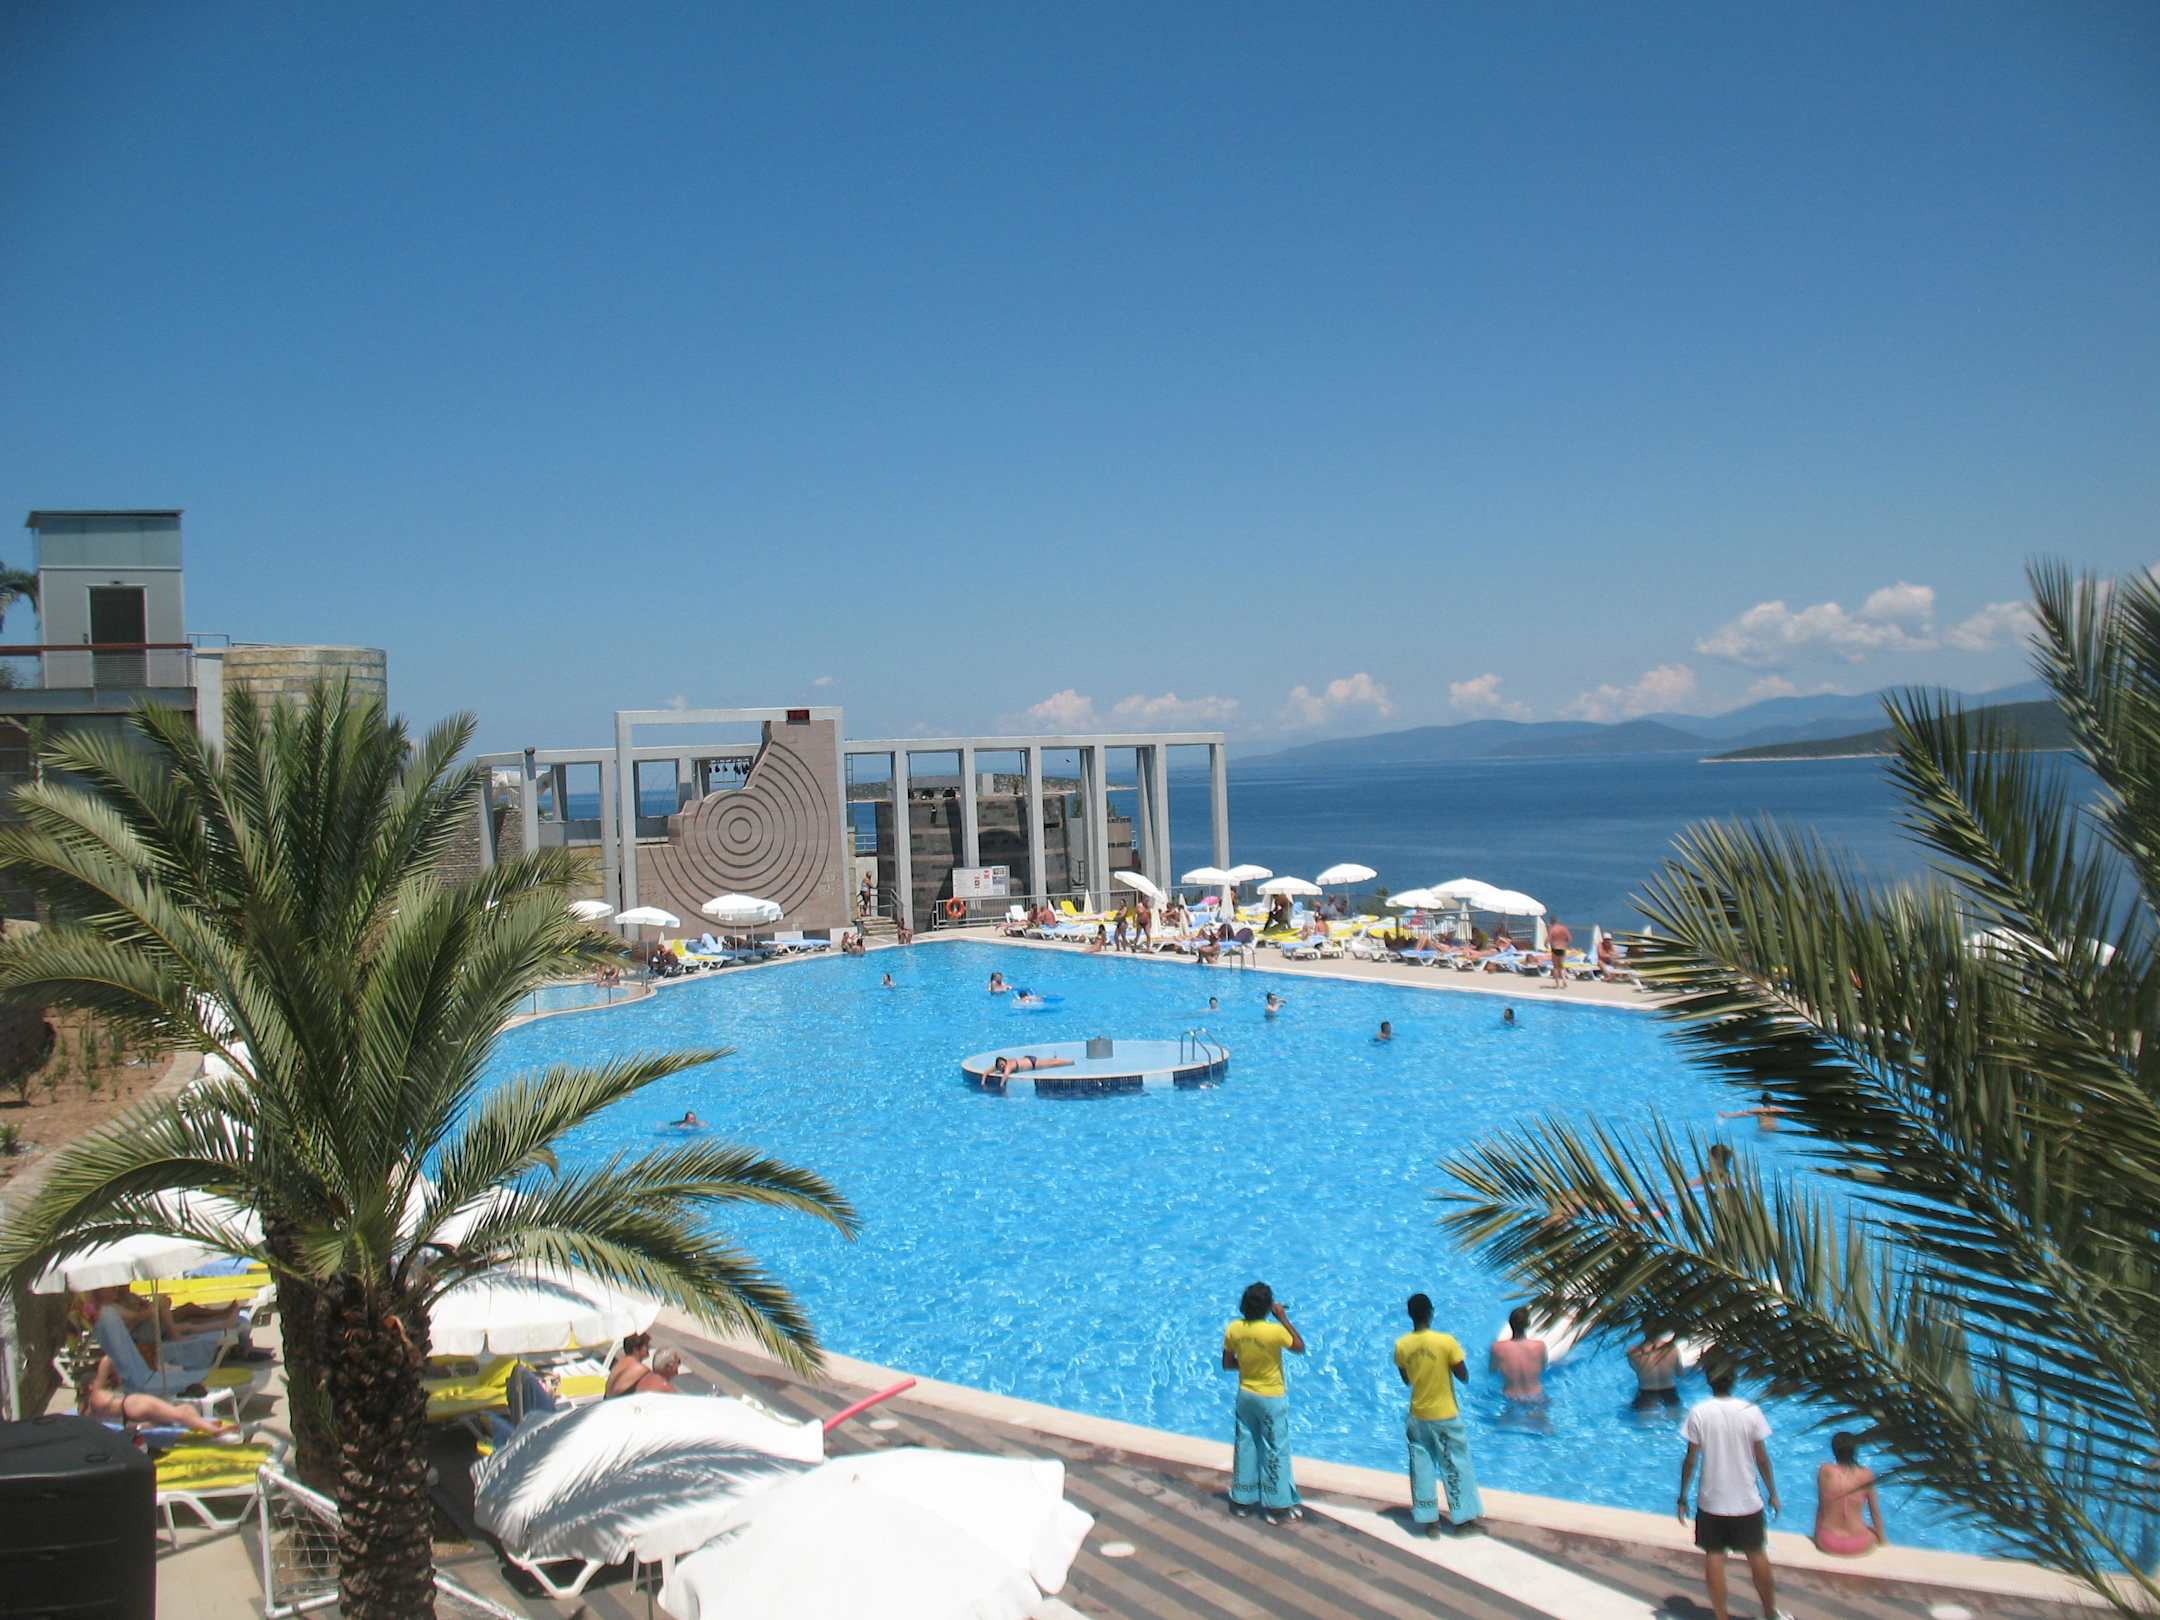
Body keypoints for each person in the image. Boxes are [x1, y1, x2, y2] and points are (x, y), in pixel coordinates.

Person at [1678, 1361, 1791, 1620]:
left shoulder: (1699, 1412)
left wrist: (1683, 1496)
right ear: (1734, 1380)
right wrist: (1772, 1492)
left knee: (1714, 1555)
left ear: (1709, 1381)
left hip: (1712, 1501)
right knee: (1756, 1553)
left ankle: (1721, 1616)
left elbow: (1691, 1459)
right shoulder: (1751, 1411)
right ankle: (1769, 1613)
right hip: (1746, 1500)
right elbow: (1761, 1458)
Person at [1395, 1293, 1483, 1535]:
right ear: (1431, 1313)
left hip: (1417, 1415)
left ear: (1410, 1315)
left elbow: (1406, 1379)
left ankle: (1429, 1520)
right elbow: (1463, 1375)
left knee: (1421, 1467)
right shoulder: (1446, 1342)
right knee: (1455, 1465)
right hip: (1445, 1415)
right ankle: (1463, 1520)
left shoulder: (1402, 1344)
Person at [1221, 1282, 1305, 1525]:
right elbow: (1299, 1347)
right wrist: (1283, 1317)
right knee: (1275, 1449)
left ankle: (1242, 1501)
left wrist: (1248, 1365)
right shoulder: (1274, 1332)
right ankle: (1277, 1506)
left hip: (1246, 1395)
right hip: (1271, 1398)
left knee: (1246, 1445)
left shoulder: (1234, 1329)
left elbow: (1227, 1364)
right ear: (1268, 1307)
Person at [78, 1355, 232, 1436]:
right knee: (177, 1414)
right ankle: (208, 1426)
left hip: (132, 1409)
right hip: (134, 1405)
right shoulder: (96, 1396)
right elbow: (107, 1360)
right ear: (90, 1386)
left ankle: (208, 1427)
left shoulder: (92, 1405)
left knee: (178, 1413)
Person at [1814, 1432, 1886, 1556]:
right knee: (1871, 1530)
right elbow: (1875, 1512)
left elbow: (1821, 1507)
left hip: (1828, 1541)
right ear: (1854, 1450)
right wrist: (1882, 1540)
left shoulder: (1825, 1470)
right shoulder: (1866, 1474)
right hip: (1858, 1543)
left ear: (1834, 1450)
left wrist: (1816, 1536)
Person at [1488, 1307, 1549, 1403]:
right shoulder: (1540, 1346)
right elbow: (1543, 1368)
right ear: (1528, 1323)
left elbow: (1492, 1370)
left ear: (1510, 1324)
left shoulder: (1497, 1347)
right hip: (1536, 1396)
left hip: (1511, 1397)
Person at [1628, 1323, 1684, 1409]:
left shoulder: (1633, 1351)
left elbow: (1636, 1370)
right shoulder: (1672, 1348)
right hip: (1669, 1391)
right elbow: (1680, 1373)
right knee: (1676, 1415)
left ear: (1643, 1329)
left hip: (1646, 1393)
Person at [606, 1332, 655, 1398]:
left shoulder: (619, 1364)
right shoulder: (640, 1369)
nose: (649, 1347)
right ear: (636, 1349)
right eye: (646, 1345)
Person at [1720, 1093, 1785, 1131]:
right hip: (1775, 1129)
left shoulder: (1758, 1110)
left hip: (1764, 1131)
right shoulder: (1779, 1109)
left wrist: (1726, 1115)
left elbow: (1742, 1114)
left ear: (1761, 1101)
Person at [989, 1053, 1075, 1080]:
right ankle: (1056, 1059)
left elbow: (1005, 1075)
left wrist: (1002, 1087)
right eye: (1000, 1065)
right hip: (1028, 1060)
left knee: (1052, 1064)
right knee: (1050, 1062)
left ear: (1005, 1061)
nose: (1002, 1065)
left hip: (1032, 1063)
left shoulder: (1008, 1066)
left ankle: (1070, 1062)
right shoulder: (1003, 1066)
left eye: (1002, 1063)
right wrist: (983, 1081)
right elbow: (987, 1071)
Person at [1546, 918, 1573, 987]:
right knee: (1561, 966)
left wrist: (1545, 944)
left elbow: (1548, 939)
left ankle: (1557, 984)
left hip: (1555, 948)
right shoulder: (1564, 928)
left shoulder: (1552, 929)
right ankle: (1564, 980)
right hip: (1562, 948)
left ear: (1551, 923)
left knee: (1555, 967)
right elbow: (1569, 939)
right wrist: (1564, 943)